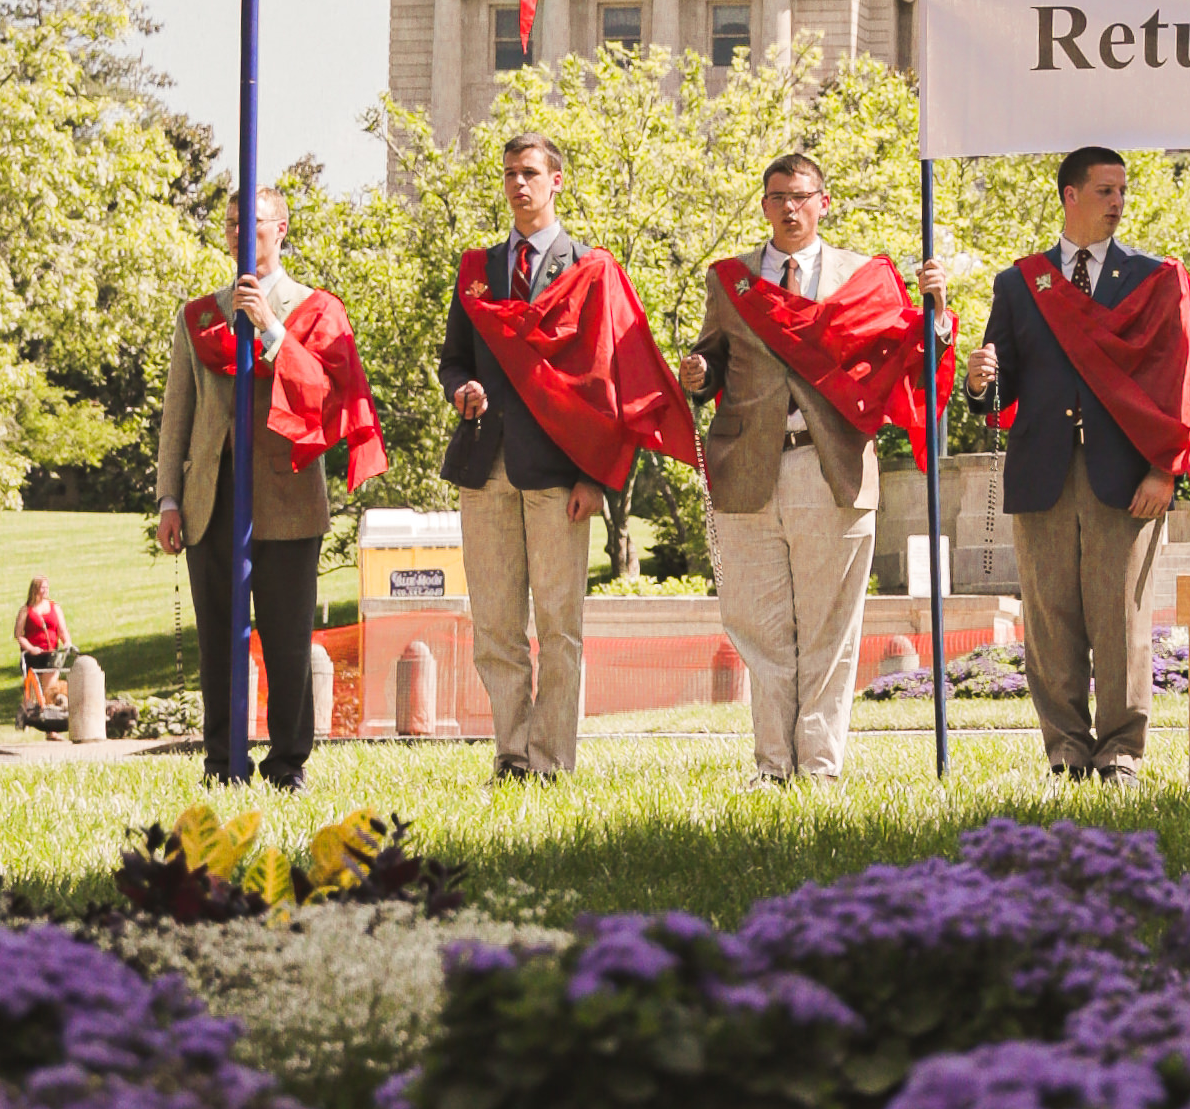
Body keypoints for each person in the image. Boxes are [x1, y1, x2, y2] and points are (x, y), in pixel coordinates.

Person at [676, 146, 951, 785]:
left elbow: (908, 352)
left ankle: (820, 768)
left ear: (823, 203)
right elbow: (711, 359)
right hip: (749, 467)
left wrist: (934, 315)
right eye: (778, 197)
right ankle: (772, 766)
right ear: (765, 206)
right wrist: (697, 373)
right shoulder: (731, 279)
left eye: (802, 196)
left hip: (833, 467)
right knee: (761, 628)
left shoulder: (864, 278)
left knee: (830, 633)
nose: (790, 207)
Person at [960, 145, 1190, 781]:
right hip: (1042, 472)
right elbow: (1003, 390)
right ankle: (1066, 751)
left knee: (1121, 618)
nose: (1118, 203)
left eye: (1122, 192)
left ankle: (1121, 752)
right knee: (1050, 622)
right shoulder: (1020, 283)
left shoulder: (1154, 277)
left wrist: (1166, 470)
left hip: (1127, 477)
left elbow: (1179, 380)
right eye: (1105, 191)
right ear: (1069, 196)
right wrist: (978, 381)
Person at [440, 133, 693, 781]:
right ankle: (512, 754)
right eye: (508, 175)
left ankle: (551, 762)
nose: (517, 185)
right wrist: (461, 388)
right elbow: (454, 361)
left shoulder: (592, 270)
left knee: (559, 627)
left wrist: (596, 477)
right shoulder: (476, 269)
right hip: (483, 467)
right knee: (494, 625)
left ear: (557, 181)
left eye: (529, 173)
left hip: (560, 476)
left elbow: (617, 381)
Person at [153, 188, 388, 788]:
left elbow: (328, 395)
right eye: (232, 223)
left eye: (252, 224)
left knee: (286, 641)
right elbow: (177, 416)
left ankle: (287, 763)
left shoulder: (315, 310)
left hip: (286, 494)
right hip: (211, 498)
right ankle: (222, 762)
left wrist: (271, 329)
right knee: (219, 644)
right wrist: (169, 499)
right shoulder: (199, 315)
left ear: (281, 229)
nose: (239, 234)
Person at [14, 574, 70, 727]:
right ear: (34, 590)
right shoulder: (26, 610)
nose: (44, 591)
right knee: (33, 693)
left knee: (50, 691)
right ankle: (27, 716)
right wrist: (31, 648)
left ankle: (51, 729)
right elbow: (18, 634)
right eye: (41, 588)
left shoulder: (54, 608)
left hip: (51, 655)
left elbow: (62, 630)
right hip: (33, 656)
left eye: (46, 587)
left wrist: (67, 643)